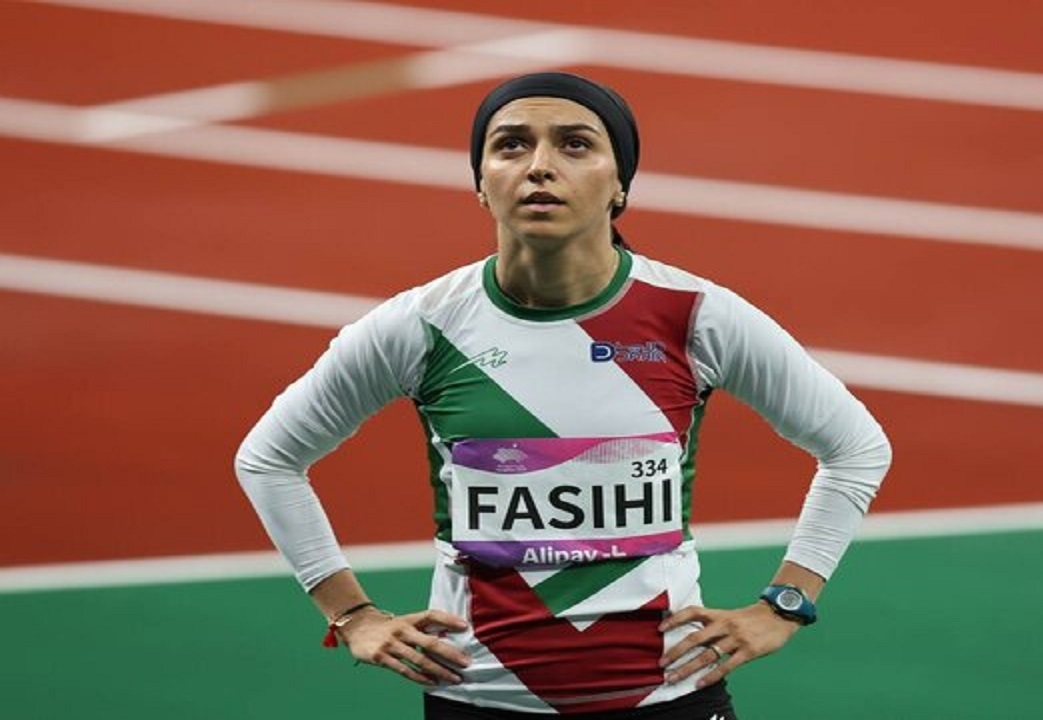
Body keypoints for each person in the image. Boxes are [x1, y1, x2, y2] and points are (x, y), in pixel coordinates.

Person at [235, 72, 891, 719]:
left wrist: (785, 604)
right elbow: (269, 459)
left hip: (668, 698)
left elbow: (856, 447)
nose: (540, 166)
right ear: (481, 182)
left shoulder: (694, 316)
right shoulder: (423, 325)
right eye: (511, 145)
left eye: (575, 144)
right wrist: (351, 614)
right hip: (478, 700)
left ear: (620, 183)